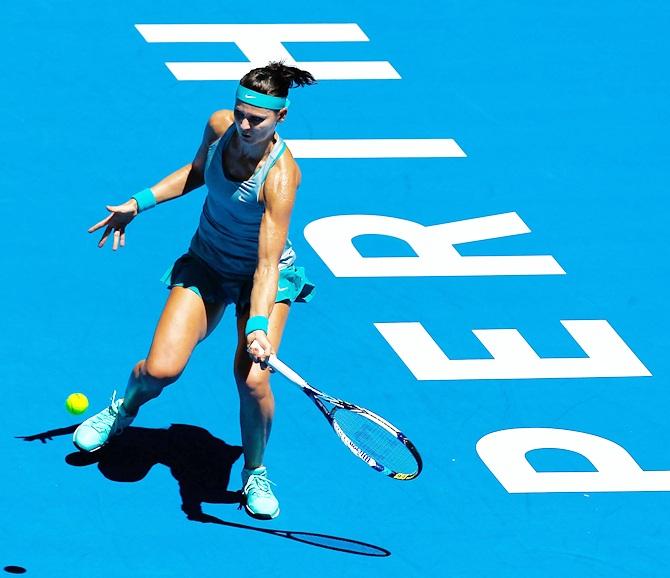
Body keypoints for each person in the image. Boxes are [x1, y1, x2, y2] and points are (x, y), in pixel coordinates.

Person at [73, 61, 317, 521]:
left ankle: (255, 470)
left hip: (259, 279)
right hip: (206, 261)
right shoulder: (220, 126)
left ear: (280, 118)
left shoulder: (282, 178)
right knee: (161, 370)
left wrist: (259, 326)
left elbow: (266, 265)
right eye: (240, 112)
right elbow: (196, 172)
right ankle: (121, 410)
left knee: (253, 380)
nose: (244, 125)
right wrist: (137, 204)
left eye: (256, 120)